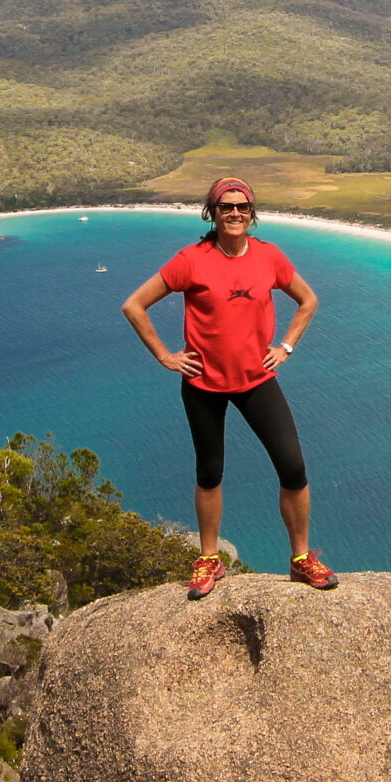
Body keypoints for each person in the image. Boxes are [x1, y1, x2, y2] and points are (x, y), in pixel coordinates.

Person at [121, 178, 334, 599]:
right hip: (203, 383)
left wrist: (286, 346)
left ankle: (300, 558)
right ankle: (208, 559)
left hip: (257, 381)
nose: (234, 213)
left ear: (252, 213)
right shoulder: (191, 260)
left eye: (242, 206)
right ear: (212, 213)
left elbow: (308, 300)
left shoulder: (269, 256)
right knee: (209, 472)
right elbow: (134, 305)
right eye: (226, 206)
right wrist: (165, 356)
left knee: (293, 468)